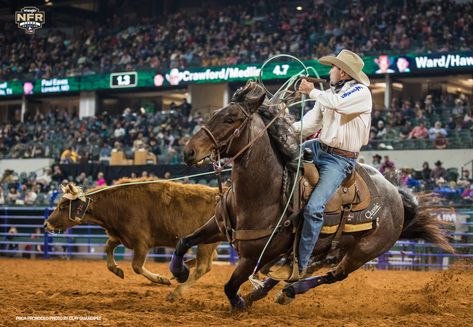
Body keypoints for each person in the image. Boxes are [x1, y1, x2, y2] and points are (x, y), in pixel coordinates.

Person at [288, 49, 372, 277]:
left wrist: (311, 91)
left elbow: (337, 104)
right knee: (280, 158)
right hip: (318, 148)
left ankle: (301, 262)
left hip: (340, 159)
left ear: (343, 72)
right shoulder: (328, 95)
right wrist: (285, 130)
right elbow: (311, 123)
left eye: (333, 68)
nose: (330, 71)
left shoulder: (361, 92)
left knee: (315, 207)